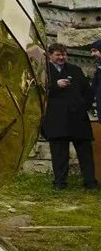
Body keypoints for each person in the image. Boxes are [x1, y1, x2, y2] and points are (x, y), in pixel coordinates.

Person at [40, 43, 97, 190]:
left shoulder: (75, 70)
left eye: (64, 54)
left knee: (85, 152)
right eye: (58, 55)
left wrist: (83, 107)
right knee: (59, 153)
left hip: (77, 117)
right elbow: (37, 91)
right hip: (56, 118)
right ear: (50, 55)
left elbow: (88, 92)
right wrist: (54, 86)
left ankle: (90, 182)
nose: (61, 57)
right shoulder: (43, 71)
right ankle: (60, 182)